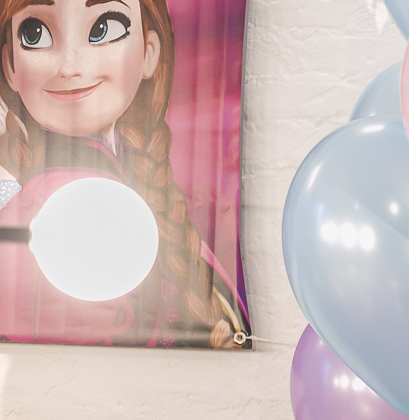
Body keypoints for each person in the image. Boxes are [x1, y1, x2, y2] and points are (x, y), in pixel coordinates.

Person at [0, 0, 249, 348]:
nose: (70, 66)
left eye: (105, 27)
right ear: (9, 63)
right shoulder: (35, 209)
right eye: (35, 33)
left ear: (150, 51)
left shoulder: (151, 200)